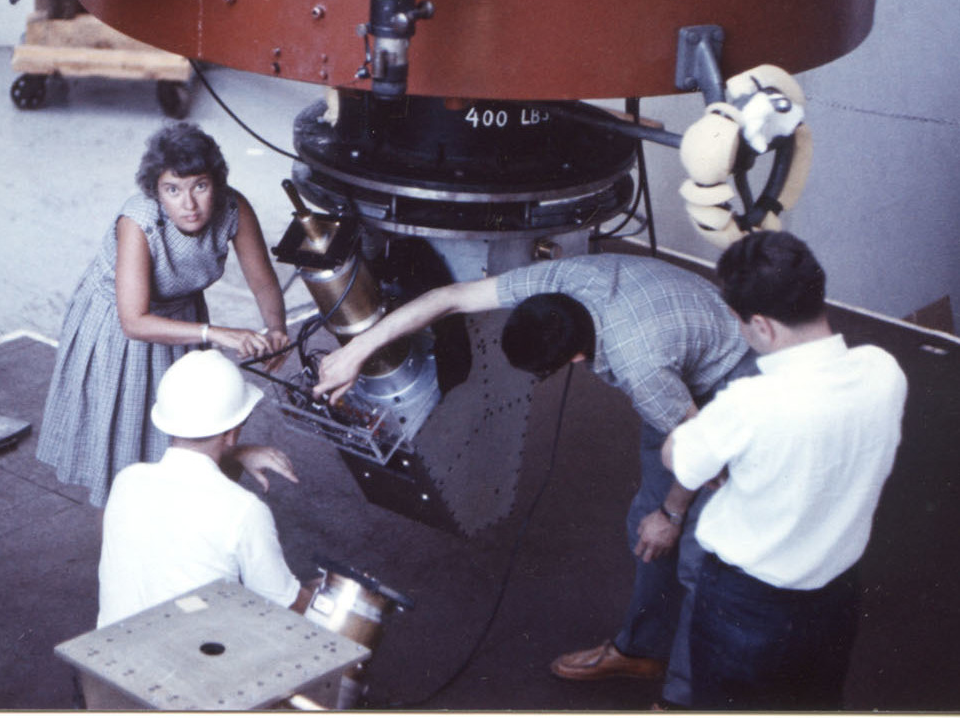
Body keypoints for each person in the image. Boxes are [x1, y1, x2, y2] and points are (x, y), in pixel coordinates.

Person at [313, 253, 757, 707]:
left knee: (701, 558)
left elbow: (699, 452)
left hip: (730, 374)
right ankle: (641, 650)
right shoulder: (558, 279)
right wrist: (355, 350)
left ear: (578, 357)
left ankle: (686, 699)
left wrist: (673, 512)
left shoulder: (640, 366)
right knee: (644, 525)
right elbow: (449, 299)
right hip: (681, 342)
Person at [662, 232, 905, 709]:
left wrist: (706, 439)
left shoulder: (751, 404)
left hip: (745, 606)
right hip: (834, 599)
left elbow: (680, 458)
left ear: (761, 326)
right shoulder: (884, 370)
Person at [36, 122, 291, 507]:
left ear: (216, 184)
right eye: (173, 190)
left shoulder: (233, 208)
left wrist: (277, 330)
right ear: (156, 190)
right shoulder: (137, 220)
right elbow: (134, 321)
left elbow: (264, 284)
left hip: (183, 315)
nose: (188, 205)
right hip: (120, 327)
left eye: (200, 186)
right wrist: (218, 334)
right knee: (124, 445)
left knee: (188, 428)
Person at [96, 349, 312, 629]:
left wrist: (234, 454)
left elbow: (190, 501)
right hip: (195, 666)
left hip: (109, 658)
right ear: (232, 433)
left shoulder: (127, 482)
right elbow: (285, 603)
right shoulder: (245, 510)